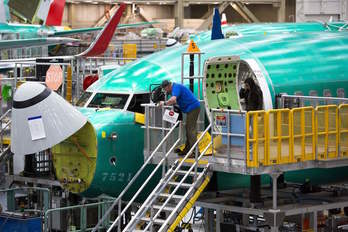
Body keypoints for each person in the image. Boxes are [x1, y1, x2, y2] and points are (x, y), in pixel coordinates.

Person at [159, 80, 200, 157]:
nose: (165, 91)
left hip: (193, 108)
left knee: (190, 129)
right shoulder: (175, 88)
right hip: (191, 108)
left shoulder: (176, 87)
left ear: (168, 86)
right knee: (188, 128)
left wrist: (164, 103)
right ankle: (188, 150)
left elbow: (173, 99)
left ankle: (195, 151)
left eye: (165, 89)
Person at [239, 77, 263, 203]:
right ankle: (250, 144)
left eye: (247, 85)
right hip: (248, 112)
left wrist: (257, 112)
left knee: (254, 130)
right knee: (248, 130)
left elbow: (259, 103)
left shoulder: (256, 91)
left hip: (254, 113)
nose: (246, 87)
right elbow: (241, 95)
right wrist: (242, 89)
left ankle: (255, 145)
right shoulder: (248, 91)